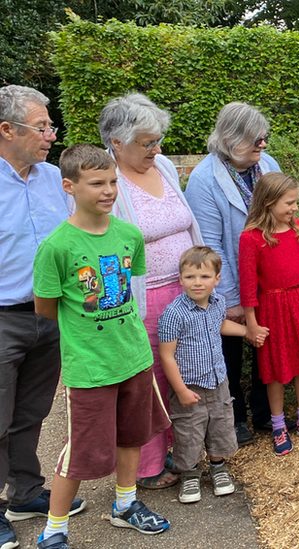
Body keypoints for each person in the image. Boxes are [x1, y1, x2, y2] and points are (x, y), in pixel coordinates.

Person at [33, 144, 171, 549]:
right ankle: (55, 528)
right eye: (97, 183)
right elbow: (46, 309)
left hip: (134, 358)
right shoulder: (57, 247)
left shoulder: (129, 235)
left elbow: (131, 294)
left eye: (112, 181)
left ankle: (125, 505)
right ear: (69, 187)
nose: (108, 190)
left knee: (132, 435)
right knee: (80, 450)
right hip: (90, 367)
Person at [98, 93, 205, 490]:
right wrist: (114, 309)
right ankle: (146, 466)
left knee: (186, 373)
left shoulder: (161, 165)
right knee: (148, 382)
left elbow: (185, 223)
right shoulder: (106, 178)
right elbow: (102, 246)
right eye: (147, 142)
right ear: (117, 141)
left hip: (186, 292)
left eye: (158, 139)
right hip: (141, 299)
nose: (157, 149)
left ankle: (185, 452)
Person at [0, 85, 85, 549]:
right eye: (42, 126)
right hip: (3, 317)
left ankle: (26, 492)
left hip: (51, 317)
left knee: (31, 411)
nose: (51, 134)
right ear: (7, 129)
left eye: (51, 125)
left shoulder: (55, 179)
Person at [184, 102, 282, 446]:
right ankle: (234, 418)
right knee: (227, 351)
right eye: (256, 140)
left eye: (264, 138)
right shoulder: (203, 180)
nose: (263, 146)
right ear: (230, 139)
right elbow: (211, 246)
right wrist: (232, 298)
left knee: (266, 344)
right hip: (228, 282)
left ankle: (265, 412)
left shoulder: (266, 166)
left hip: (269, 278)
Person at [158, 246, 267, 504]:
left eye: (205, 277)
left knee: (219, 424)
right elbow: (166, 355)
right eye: (190, 277)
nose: (198, 283)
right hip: (190, 385)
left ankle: (218, 467)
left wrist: (248, 332)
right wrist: (181, 390)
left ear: (217, 279)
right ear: (180, 279)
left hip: (218, 380)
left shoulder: (218, 302)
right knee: (189, 431)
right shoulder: (174, 314)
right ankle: (191, 473)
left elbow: (220, 324)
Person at [239, 172, 299, 456]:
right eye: (289, 203)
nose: (295, 208)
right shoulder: (251, 239)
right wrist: (251, 324)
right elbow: (248, 286)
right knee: (275, 366)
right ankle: (278, 425)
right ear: (268, 202)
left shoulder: (298, 228)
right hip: (273, 309)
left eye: (296, 202)